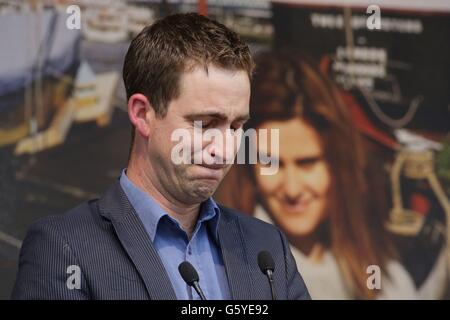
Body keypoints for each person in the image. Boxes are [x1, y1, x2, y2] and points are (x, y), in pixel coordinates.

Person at [11, 14, 310, 300]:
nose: (225, 148)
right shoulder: (64, 248)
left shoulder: (266, 247)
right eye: (204, 124)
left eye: (235, 126)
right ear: (143, 114)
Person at [215, 50, 448, 299]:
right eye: (271, 163)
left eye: (308, 163)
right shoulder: (228, 270)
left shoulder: (371, 262)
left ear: (337, 163)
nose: (292, 189)